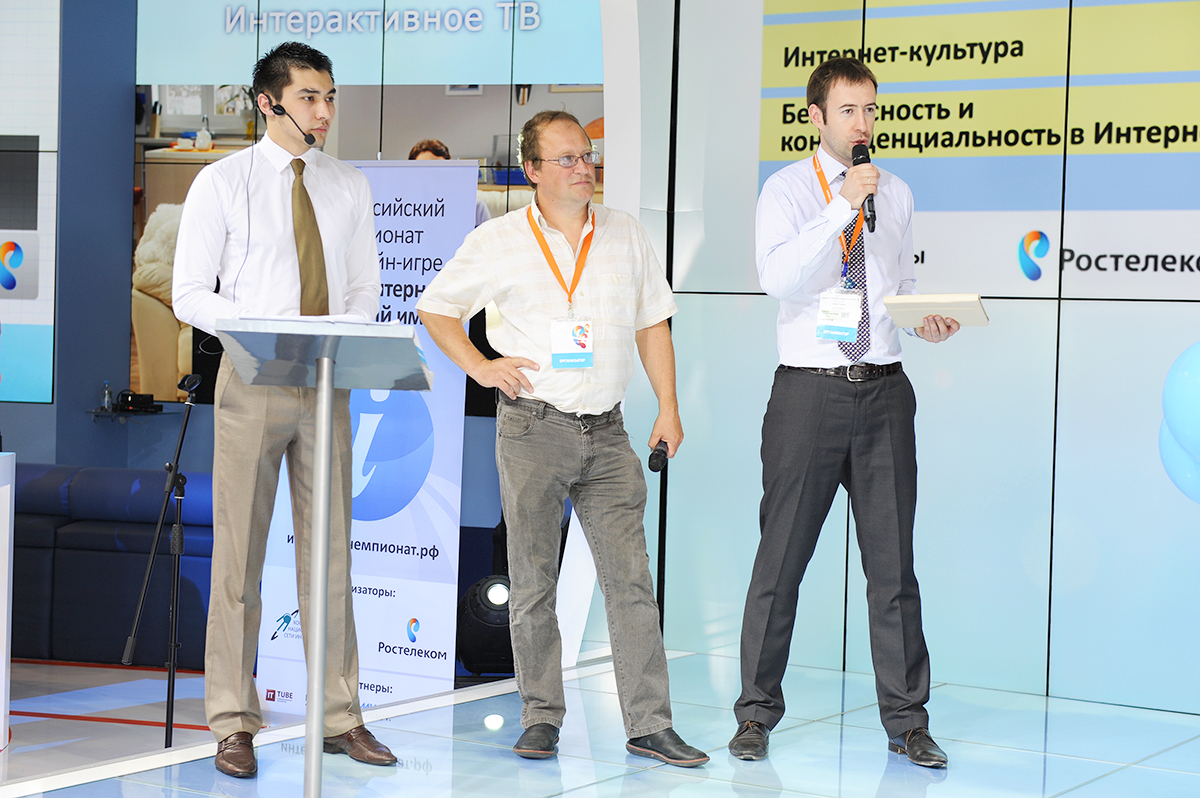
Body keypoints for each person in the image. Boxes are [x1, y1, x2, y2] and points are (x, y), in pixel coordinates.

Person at [416, 110, 708, 768]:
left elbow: (653, 324)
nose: (584, 168)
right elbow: (436, 307)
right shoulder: (498, 241)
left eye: (588, 156)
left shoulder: (625, 234)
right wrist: (480, 366)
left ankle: (650, 724)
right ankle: (541, 716)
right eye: (568, 158)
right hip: (533, 427)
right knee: (532, 582)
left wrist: (668, 406)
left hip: (607, 431)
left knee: (631, 583)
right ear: (533, 171)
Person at [728, 57, 959, 768]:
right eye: (849, 110)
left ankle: (908, 722)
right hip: (810, 393)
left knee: (893, 570)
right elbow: (778, 279)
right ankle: (755, 714)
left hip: (884, 389)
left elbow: (898, 281)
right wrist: (841, 207)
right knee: (780, 562)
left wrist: (921, 318)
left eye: (871, 109)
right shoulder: (788, 190)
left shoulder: (898, 192)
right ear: (817, 117)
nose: (863, 124)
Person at [172, 42, 394, 778]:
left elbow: (362, 288)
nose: (324, 112)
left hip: (328, 378)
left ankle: (339, 715)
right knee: (238, 561)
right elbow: (189, 293)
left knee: (329, 556)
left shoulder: (348, 185)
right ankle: (233, 721)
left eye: (329, 97)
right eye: (308, 97)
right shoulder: (221, 181)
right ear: (268, 103)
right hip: (253, 378)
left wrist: (338, 336)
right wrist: (257, 330)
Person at [408, 138, 491, 228]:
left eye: (438, 168)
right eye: (423, 169)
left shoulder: (476, 208)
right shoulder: (402, 210)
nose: (431, 175)